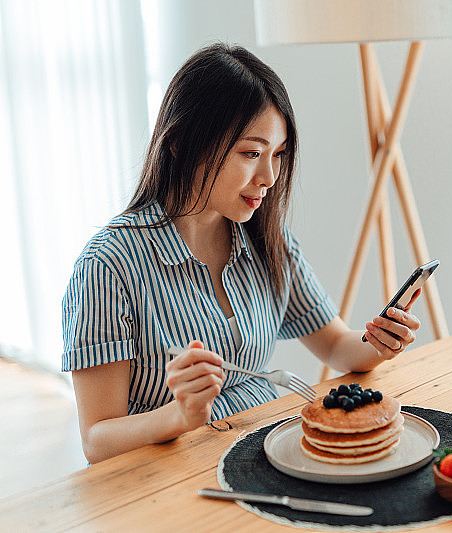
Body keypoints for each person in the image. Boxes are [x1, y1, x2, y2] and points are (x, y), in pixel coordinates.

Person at [62, 43, 421, 464]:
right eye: (251, 153)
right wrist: (178, 416)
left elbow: (339, 347)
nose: (268, 177)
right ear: (180, 143)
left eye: (278, 155)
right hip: (171, 474)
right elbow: (97, 440)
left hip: (265, 455)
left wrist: (379, 342)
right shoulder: (107, 267)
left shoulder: (267, 239)